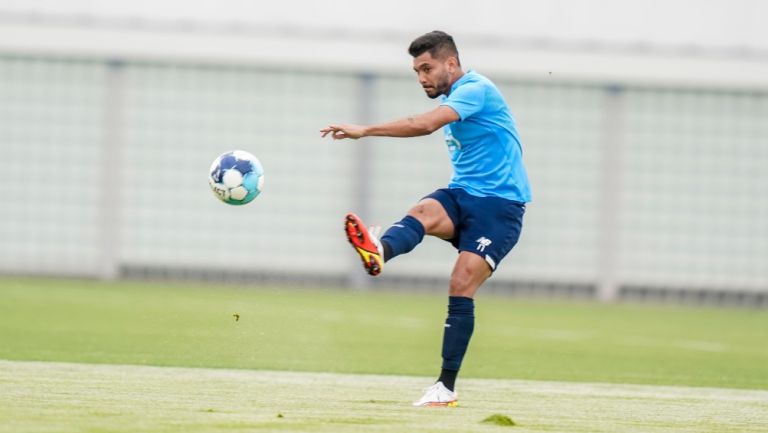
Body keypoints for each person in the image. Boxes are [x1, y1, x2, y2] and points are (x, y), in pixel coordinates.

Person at [320, 30, 531, 407]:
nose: (421, 78)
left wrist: (365, 129)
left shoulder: (474, 89)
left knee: (460, 281)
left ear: (451, 63)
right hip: (462, 193)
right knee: (423, 212)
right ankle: (379, 251)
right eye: (417, 71)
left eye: (427, 68)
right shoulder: (455, 95)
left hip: (501, 206)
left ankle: (444, 388)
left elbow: (424, 124)